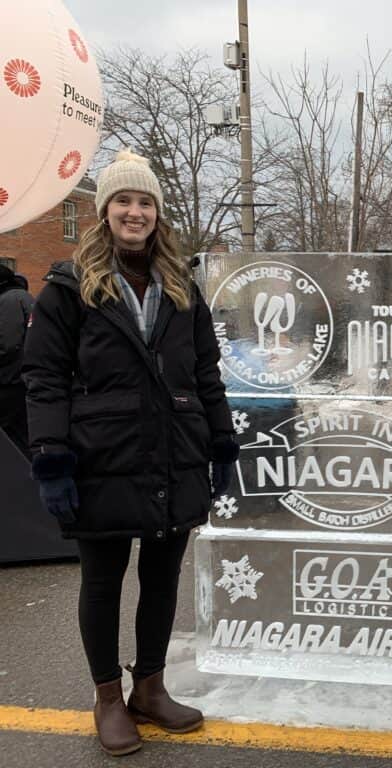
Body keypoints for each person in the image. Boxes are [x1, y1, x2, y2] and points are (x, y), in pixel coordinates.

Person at [21, 150, 238, 756]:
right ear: (105, 211)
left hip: (174, 452)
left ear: (157, 213)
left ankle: (150, 686)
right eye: (123, 201)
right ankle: (108, 698)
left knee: (163, 578)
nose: (134, 212)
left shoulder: (181, 288)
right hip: (100, 454)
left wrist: (221, 443)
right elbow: (44, 378)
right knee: (102, 580)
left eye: (145, 202)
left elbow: (205, 374)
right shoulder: (70, 287)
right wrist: (52, 457)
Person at [0, 264, 33, 458]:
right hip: (24, 378)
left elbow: (7, 344)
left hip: (10, 380)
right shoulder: (23, 297)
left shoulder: (7, 300)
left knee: (14, 434)